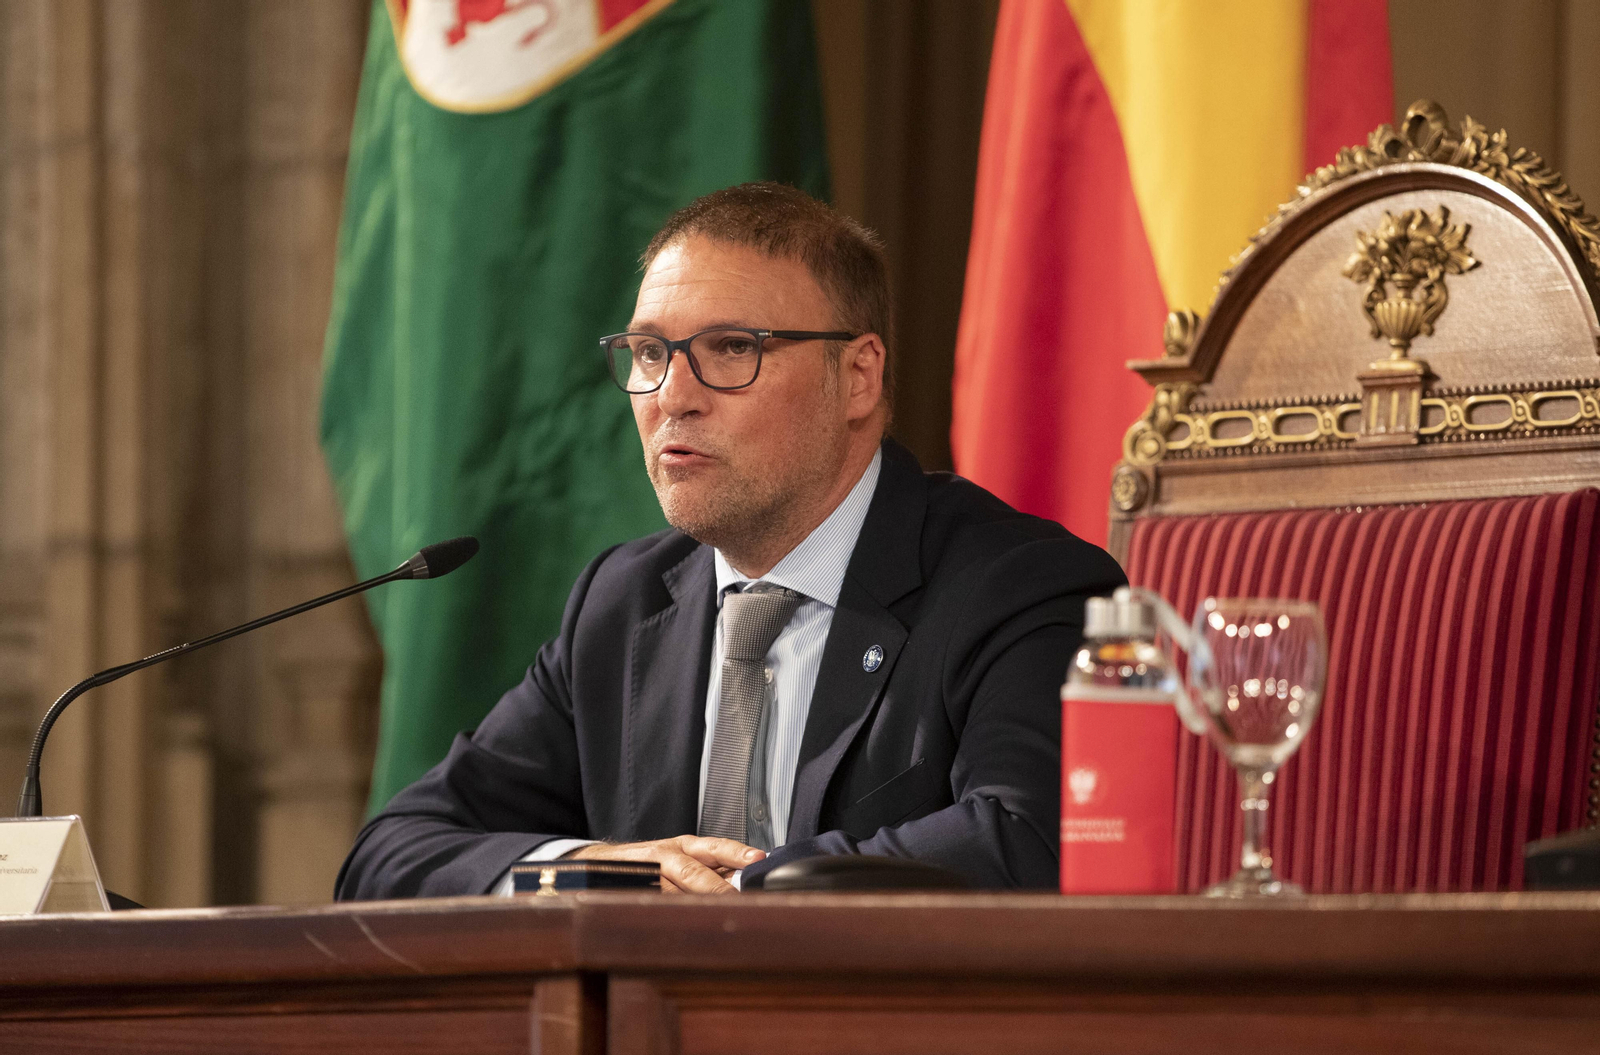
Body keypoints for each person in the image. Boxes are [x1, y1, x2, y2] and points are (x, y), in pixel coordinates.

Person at [335, 182, 1123, 898]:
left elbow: (1029, 842)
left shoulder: (1021, 588)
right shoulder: (622, 604)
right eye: (648, 354)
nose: (673, 396)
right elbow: (389, 854)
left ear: (858, 377)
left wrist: (724, 897)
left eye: (732, 350)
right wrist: (596, 871)